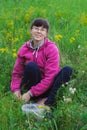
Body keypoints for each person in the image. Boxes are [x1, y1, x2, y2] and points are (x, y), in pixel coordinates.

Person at [11, 18, 72, 111]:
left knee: (67, 70)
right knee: (31, 66)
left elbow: (50, 77)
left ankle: (47, 103)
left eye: (42, 30)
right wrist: (16, 90)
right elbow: (17, 73)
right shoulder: (24, 49)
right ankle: (36, 100)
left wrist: (30, 93)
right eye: (36, 28)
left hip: (48, 86)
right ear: (31, 30)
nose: (39, 32)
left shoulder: (51, 48)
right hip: (32, 84)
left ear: (46, 34)